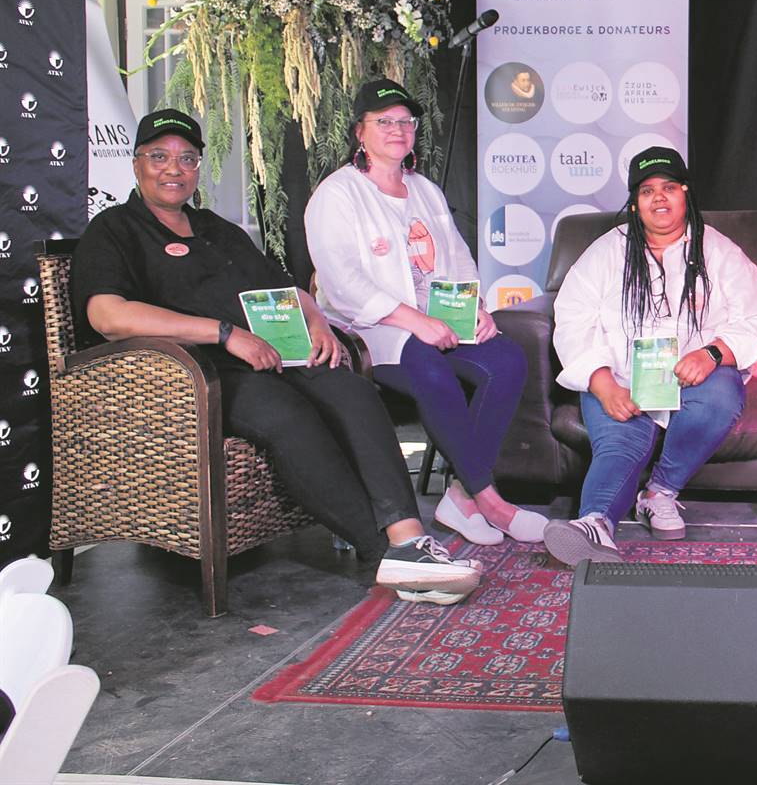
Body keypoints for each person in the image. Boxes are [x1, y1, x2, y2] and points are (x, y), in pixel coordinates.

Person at [72, 109, 480, 603]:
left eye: (187, 158)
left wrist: (316, 321)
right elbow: (108, 315)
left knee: (351, 390)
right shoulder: (114, 229)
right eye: (159, 157)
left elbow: (286, 290)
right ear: (136, 163)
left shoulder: (215, 229)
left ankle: (408, 537)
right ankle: (387, 557)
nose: (173, 169)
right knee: (288, 415)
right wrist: (225, 334)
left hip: (268, 354)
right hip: (193, 375)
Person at [305, 79, 541, 548]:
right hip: (373, 327)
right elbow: (342, 282)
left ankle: (461, 497)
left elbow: (457, 256)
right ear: (360, 132)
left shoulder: (424, 190)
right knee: (430, 368)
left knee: (507, 360)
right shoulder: (338, 194)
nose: (398, 129)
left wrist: (475, 307)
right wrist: (415, 321)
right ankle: (490, 499)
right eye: (384, 121)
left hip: (439, 319)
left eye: (405, 121)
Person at [545, 147, 757, 566]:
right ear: (635, 203)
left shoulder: (718, 250)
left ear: (685, 193)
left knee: (721, 395)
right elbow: (573, 319)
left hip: (692, 379)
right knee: (621, 443)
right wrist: (603, 384)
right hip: (621, 378)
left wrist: (713, 352)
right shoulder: (606, 251)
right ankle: (594, 525)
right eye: (647, 191)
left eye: (669, 188)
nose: (659, 199)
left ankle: (658, 494)